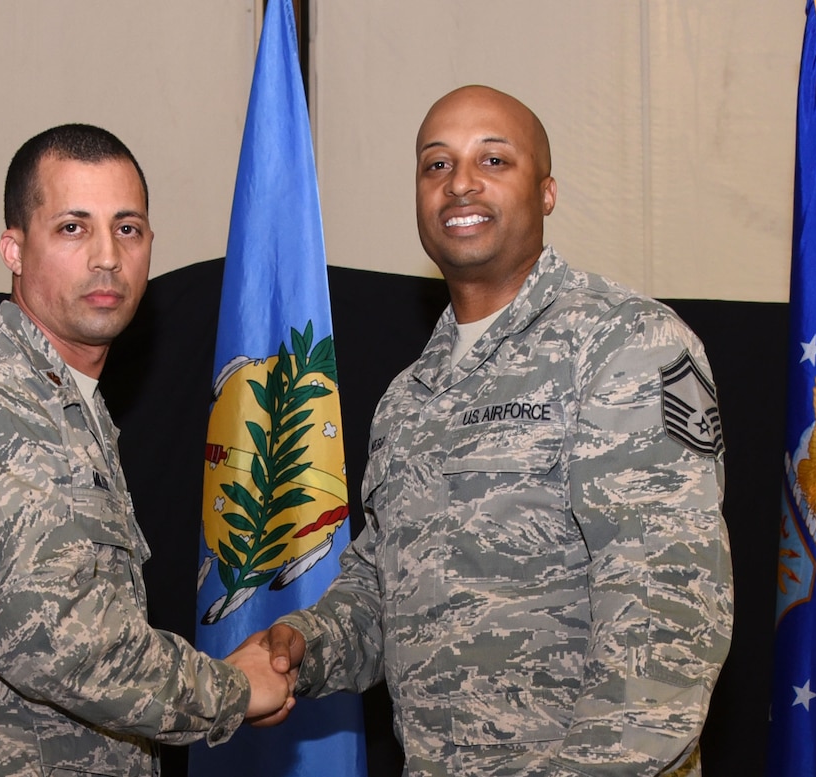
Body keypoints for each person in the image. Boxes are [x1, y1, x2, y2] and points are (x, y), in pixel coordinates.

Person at [261, 86, 734, 776]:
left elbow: (669, 613)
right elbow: (388, 582)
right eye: (436, 165)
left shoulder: (625, 342)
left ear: (546, 192)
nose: (461, 183)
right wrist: (304, 645)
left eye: (493, 159)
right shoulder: (408, 397)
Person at [0, 123, 292, 776]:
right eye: (73, 228)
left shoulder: (72, 406)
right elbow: (60, 642)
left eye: (126, 228)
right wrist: (232, 689)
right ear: (13, 248)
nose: (106, 255)